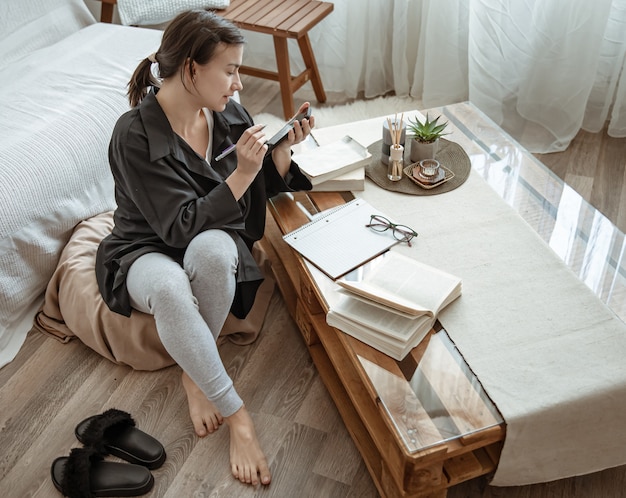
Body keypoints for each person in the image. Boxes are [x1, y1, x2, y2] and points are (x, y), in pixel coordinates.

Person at [95, 10, 314, 487]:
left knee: (218, 251)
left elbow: (252, 201)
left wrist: (278, 154)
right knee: (173, 286)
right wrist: (241, 173)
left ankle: (195, 376)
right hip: (143, 249)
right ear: (192, 69)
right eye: (230, 69)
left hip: (206, 238)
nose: (238, 84)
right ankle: (238, 415)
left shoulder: (229, 114)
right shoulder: (134, 133)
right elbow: (176, 228)